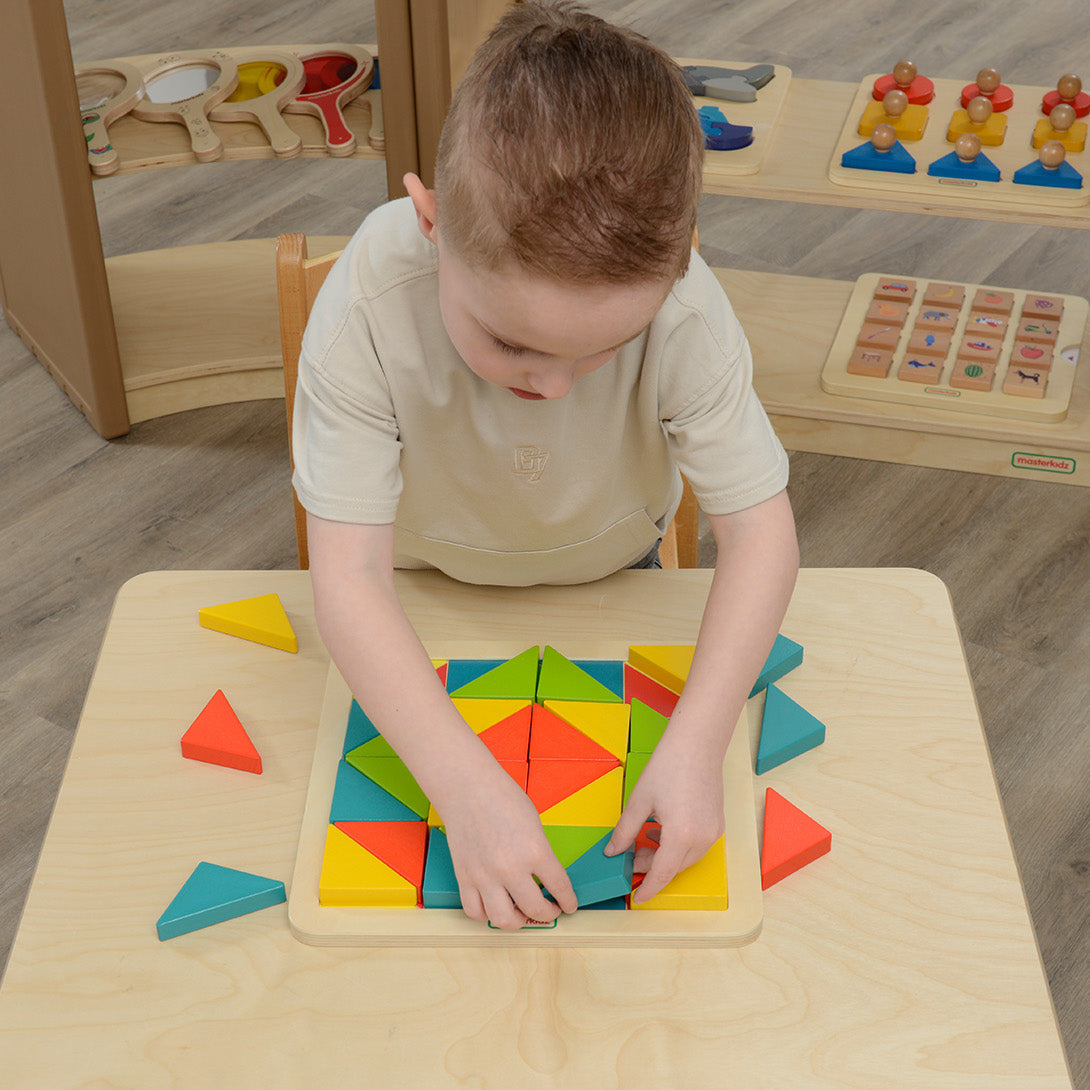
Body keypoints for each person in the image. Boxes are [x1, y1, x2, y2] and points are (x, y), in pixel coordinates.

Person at [292, 0, 798, 930]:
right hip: (416, 600)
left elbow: (761, 537)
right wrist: (467, 794)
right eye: (511, 343)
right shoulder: (367, 301)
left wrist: (696, 746)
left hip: (617, 583)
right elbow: (350, 580)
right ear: (432, 221)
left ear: (678, 264)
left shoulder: (685, 309)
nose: (556, 387)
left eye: (606, 348)